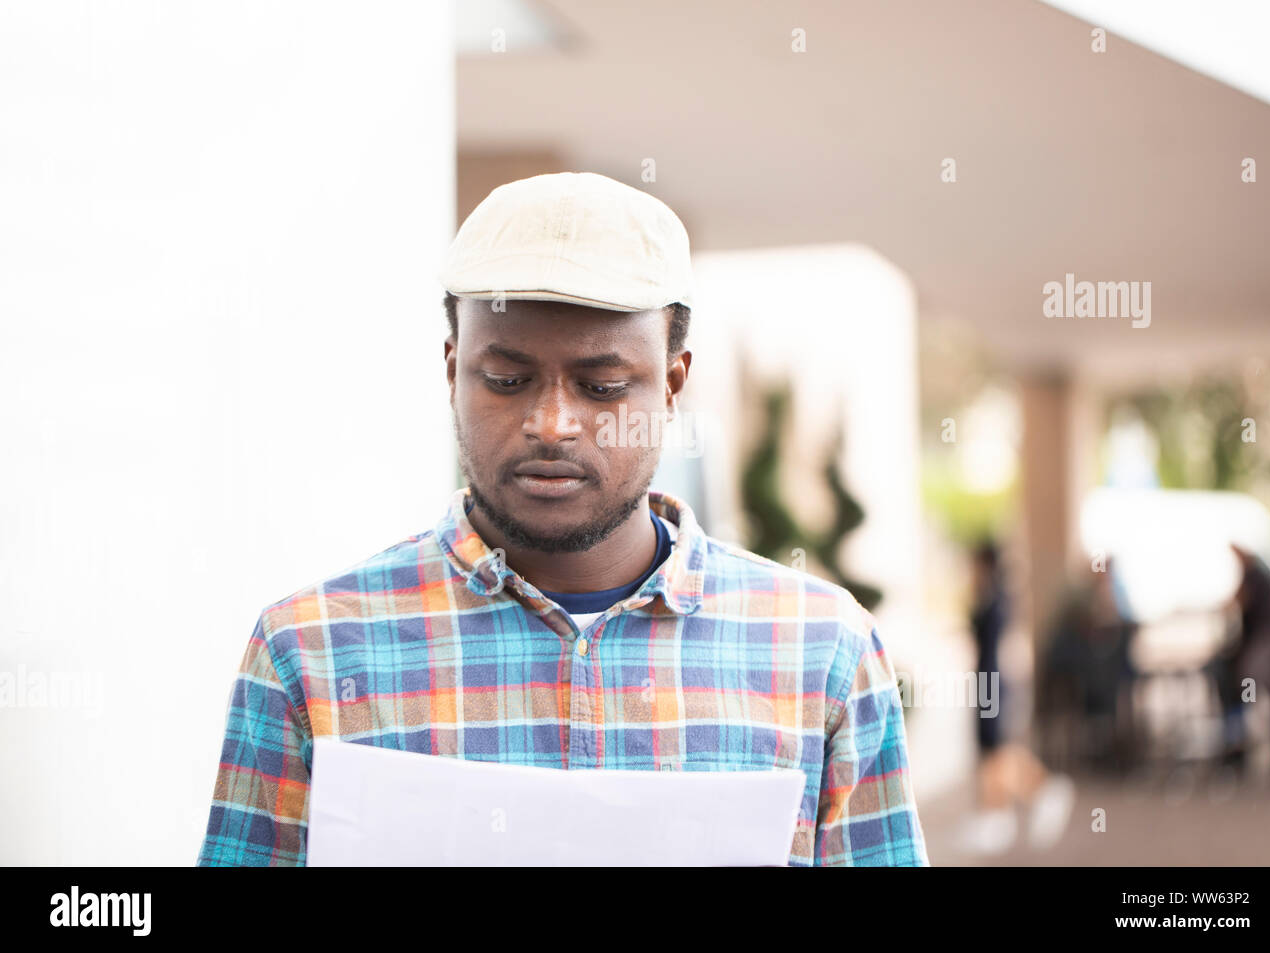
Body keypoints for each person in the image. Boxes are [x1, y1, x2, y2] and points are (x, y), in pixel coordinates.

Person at [197, 171, 929, 866]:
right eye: (507, 381)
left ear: (672, 385)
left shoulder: (824, 653)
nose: (552, 424)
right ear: (452, 371)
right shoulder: (309, 654)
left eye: (602, 386)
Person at [958, 539, 1074, 855]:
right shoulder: (991, 596)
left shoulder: (996, 599)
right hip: (987, 680)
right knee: (994, 751)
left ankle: (1035, 792)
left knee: (998, 749)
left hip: (993, 681)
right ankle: (998, 814)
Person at [1209, 544, 1270, 773]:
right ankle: (1261, 730)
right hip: (1267, 640)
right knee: (1263, 683)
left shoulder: (1254, 575)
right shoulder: (1257, 574)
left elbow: (1238, 601)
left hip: (1267, 641)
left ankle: (1255, 728)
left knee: (1251, 678)